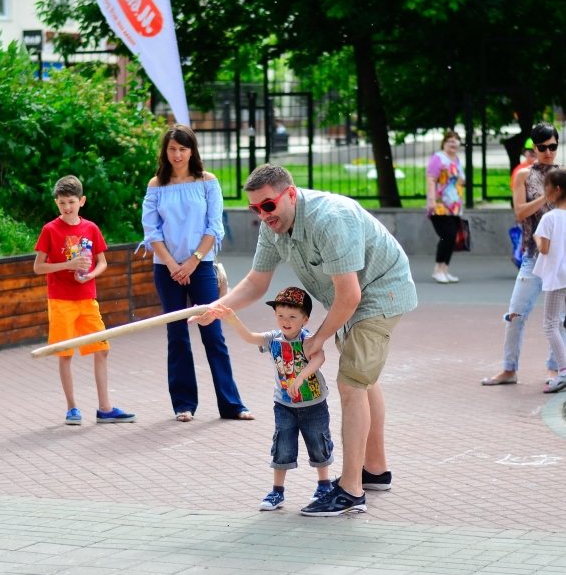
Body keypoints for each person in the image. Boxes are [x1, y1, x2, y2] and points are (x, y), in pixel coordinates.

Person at [194, 164, 418, 517]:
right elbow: (257, 282)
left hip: (380, 293)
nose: (263, 215)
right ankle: (375, 469)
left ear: (291, 194)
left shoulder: (330, 219)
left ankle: (351, 491)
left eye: (268, 205)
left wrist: (320, 338)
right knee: (362, 380)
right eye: (255, 209)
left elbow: (350, 295)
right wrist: (218, 307)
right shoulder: (274, 227)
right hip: (351, 298)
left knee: (352, 383)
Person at [141, 124, 253, 422]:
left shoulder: (207, 182)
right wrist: (172, 264)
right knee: (177, 336)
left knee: (212, 333)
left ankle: (232, 404)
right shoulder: (156, 185)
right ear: (165, 152)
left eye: (183, 149)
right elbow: (151, 231)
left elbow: (214, 226)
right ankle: (183, 405)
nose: (177, 155)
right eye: (172, 149)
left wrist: (193, 261)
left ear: (192, 151)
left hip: (201, 266)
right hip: (166, 269)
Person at [216, 286, 335, 511]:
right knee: (282, 446)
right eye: (280, 315)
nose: (285, 321)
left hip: (313, 403)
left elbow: (319, 358)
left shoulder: (308, 340)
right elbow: (250, 337)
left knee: (318, 443)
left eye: (292, 316)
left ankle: (324, 485)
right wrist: (232, 318)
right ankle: (277, 492)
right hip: (284, 404)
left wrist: (300, 378)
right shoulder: (273, 339)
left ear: (305, 320)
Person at [33, 175, 136, 425]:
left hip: (88, 299)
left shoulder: (90, 228)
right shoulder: (50, 229)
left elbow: (102, 262)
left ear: (82, 201)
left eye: (71, 202)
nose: (67, 207)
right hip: (61, 301)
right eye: (61, 203)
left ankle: (105, 408)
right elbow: (38, 267)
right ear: (56, 203)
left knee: (102, 349)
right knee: (64, 353)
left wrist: (89, 274)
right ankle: (72, 408)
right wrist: (68, 265)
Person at [482, 122, 563, 386]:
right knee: (515, 313)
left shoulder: (565, 175)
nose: (548, 152)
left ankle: (554, 369)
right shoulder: (524, 175)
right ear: (535, 147)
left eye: (553, 146)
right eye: (543, 147)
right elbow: (520, 213)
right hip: (532, 254)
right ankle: (509, 368)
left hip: (559, 256)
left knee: (558, 317)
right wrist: (546, 198)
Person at [532, 169, 566, 394]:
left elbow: (543, 249)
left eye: (546, 188)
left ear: (556, 190)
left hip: (557, 277)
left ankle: (564, 371)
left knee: (550, 324)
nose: (545, 193)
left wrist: (536, 237)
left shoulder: (549, 218)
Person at [425, 130, 466, 283]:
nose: (453, 143)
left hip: (454, 206)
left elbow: (460, 180)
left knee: (452, 238)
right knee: (447, 236)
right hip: (440, 204)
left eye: (456, 140)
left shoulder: (456, 159)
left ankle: (445, 270)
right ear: (444, 143)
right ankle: (438, 269)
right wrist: (431, 201)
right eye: (450, 140)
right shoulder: (438, 158)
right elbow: (431, 179)